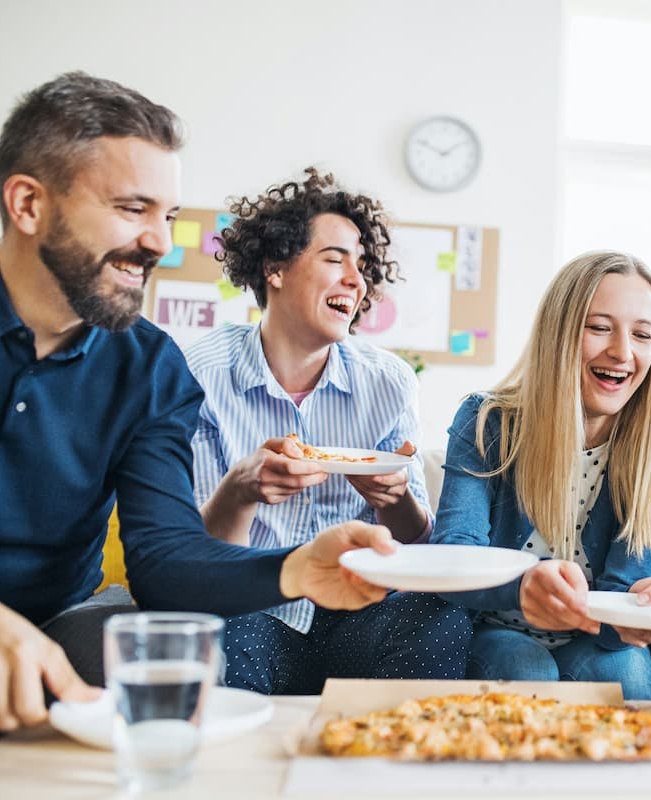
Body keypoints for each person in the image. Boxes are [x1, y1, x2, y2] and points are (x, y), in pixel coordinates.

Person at [0, 72, 396, 732]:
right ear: (28, 204)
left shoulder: (150, 367)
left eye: (167, 216)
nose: (160, 243)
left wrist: (295, 569)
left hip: (59, 626)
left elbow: (165, 562)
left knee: (145, 660)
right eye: (131, 209)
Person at [184, 169, 471, 693]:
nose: (356, 281)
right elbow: (198, 558)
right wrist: (241, 491)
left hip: (361, 608)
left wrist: (394, 497)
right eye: (335, 258)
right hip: (253, 607)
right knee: (209, 630)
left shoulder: (387, 382)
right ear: (274, 267)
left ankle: (394, 769)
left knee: (439, 618)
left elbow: (414, 542)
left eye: (362, 266)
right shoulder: (200, 374)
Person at [430, 250, 651, 700]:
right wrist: (522, 589)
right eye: (599, 328)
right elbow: (455, 556)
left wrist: (641, 608)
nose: (623, 352)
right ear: (559, 332)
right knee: (526, 667)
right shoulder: (487, 421)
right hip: (497, 628)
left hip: (593, 639)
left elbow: (624, 587)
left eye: (643, 334)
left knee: (627, 675)